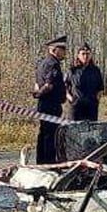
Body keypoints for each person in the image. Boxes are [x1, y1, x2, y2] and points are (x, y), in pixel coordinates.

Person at [32, 35, 68, 163]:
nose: (64, 52)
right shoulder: (53, 64)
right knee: (51, 135)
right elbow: (49, 85)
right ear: (54, 49)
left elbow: (37, 83)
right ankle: (49, 163)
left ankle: (41, 162)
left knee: (43, 133)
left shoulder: (42, 63)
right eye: (62, 49)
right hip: (51, 105)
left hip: (44, 104)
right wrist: (37, 94)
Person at [66, 41, 105, 122]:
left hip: (91, 107)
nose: (85, 56)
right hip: (76, 107)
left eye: (87, 54)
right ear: (78, 55)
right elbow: (65, 87)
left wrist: (96, 99)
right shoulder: (72, 70)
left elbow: (100, 88)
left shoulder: (95, 71)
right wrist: (71, 98)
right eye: (83, 54)